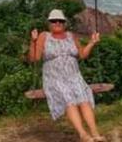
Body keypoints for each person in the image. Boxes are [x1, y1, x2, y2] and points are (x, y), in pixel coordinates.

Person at [29, 8, 105, 142]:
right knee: (68, 98)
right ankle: (83, 135)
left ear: (64, 23)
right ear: (49, 23)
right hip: (55, 78)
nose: (57, 23)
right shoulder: (43, 36)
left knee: (84, 98)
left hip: (74, 77)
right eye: (53, 21)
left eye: (60, 21)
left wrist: (92, 43)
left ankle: (95, 134)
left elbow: (82, 55)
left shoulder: (71, 36)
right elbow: (34, 58)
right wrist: (33, 41)